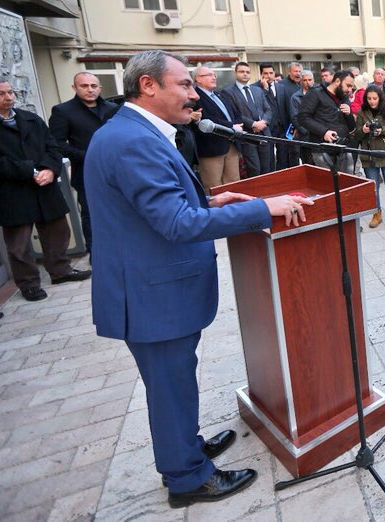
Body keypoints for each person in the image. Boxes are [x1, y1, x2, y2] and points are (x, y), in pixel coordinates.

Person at [85, 50, 312, 507]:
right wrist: (259, 208)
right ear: (148, 86)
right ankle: (187, 477)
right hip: (151, 295)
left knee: (177, 381)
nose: (195, 94)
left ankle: (184, 448)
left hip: (154, 288)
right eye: (185, 85)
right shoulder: (132, 140)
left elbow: (153, 212)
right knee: (169, 387)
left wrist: (210, 204)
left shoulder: (135, 132)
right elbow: (174, 224)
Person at [0, 77, 91, 303]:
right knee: (19, 244)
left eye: (10, 92)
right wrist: (28, 170)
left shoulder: (30, 119)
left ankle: (60, 271)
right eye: (1, 94)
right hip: (13, 190)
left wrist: (50, 169)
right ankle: (29, 284)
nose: (8, 97)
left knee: (57, 231)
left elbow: (53, 146)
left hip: (45, 185)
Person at [48, 71, 118, 253]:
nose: (90, 90)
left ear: (100, 88)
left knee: (119, 210)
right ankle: (95, 253)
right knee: (92, 214)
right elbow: (55, 142)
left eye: (93, 86)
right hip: (86, 170)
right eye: (84, 86)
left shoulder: (113, 108)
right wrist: (84, 155)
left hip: (115, 169)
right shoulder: (63, 111)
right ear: (74, 88)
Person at [355, 85, 385, 228]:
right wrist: (363, 130)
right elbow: (357, 135)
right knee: (373, 188)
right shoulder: (362, 113)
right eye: (369, 99)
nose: (372, 101)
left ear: (380, 97)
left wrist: (382, 130)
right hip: (369, 155)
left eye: (374, 98)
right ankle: (377, 214)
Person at [190, 66, 242, 187]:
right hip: (211, 148)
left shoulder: (220, 95)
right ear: (198, 79)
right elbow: (205, 119)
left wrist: (238, 124)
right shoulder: (194, 97)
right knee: (214, 186)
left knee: (234, 182)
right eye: (209, 75)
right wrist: (231, 126)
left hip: (231, 144)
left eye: (214, 75)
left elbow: (236, 113)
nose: (214, 77)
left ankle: (236, 205)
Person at [295, 69, 356, 173]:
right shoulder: (315, 93)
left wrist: (349, 114)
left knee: (347, 183)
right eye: (348, 85)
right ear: (337, 81)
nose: (350, 89)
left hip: (343, 147)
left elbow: (351, 127)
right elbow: (302, 117)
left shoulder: (344, 97)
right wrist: (324, 132)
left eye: (351, 86)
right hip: (321, 148)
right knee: (327, 185)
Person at [220, 62, 273, 177]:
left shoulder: (257, 90)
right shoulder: (228, 92)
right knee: (254, 168)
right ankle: (255, 194)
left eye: (247, 72)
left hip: (264, 133)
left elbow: (268, 109)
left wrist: (263, 122)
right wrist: (253, 124)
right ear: (235, 73)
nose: (245, 74)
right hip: (246, 136)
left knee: (266, 168)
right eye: (242, 71)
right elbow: (234, 114)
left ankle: (267, 193)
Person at [273, 62, 303, 168]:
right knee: (290, 155)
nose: (298, 73)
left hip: (304, 126)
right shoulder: (281, 86)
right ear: (289, 72)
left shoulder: (302, 84)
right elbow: (281, 108)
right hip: (288, 128)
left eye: (300, 71)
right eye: (295, 71)